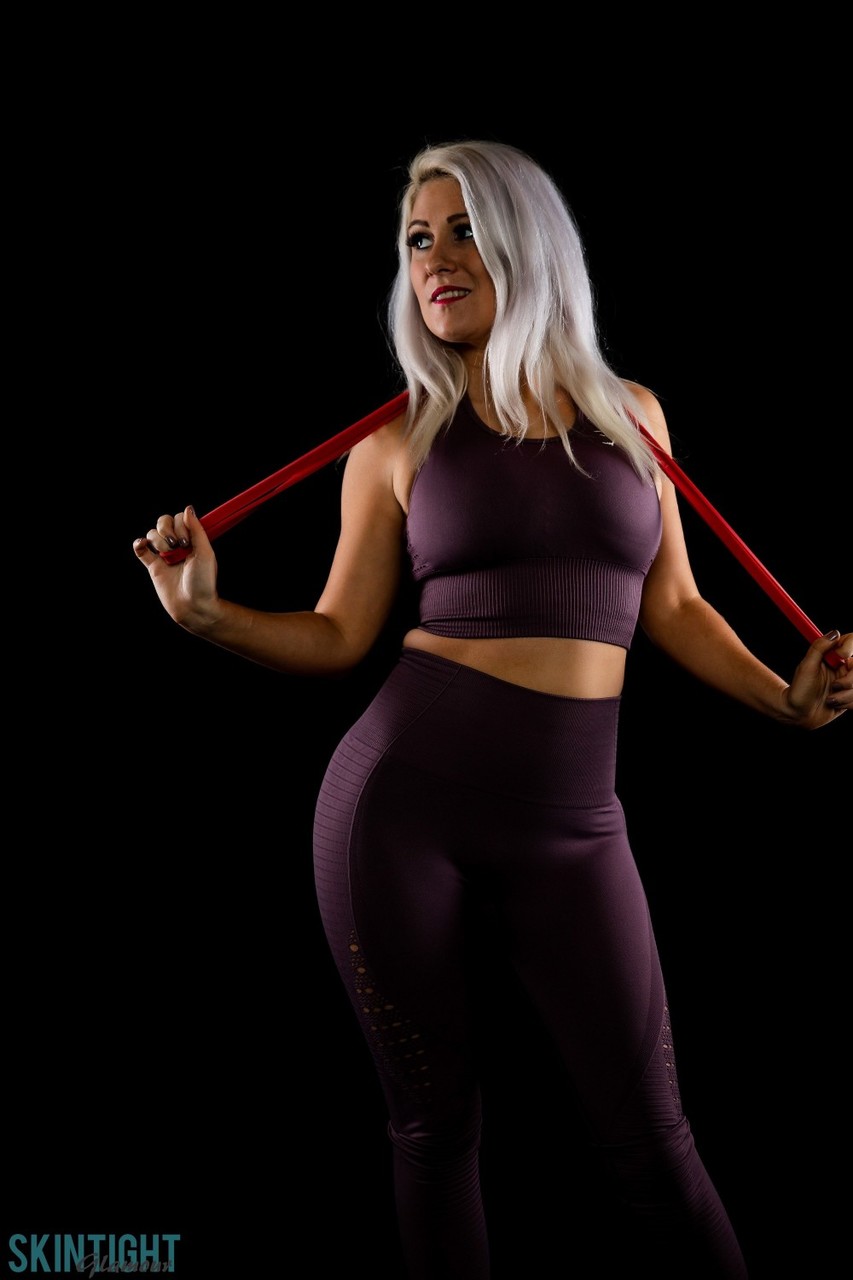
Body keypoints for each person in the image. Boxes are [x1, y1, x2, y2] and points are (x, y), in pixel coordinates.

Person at [133, 139, 850, 1278]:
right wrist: (207, 617)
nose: (435, 258)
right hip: (399, 808)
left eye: (464, 230)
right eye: (417, 238)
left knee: (655, 1144)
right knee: (434, 1131)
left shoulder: (633, 417)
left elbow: (672, 604)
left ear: (528, 242)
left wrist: (784, 700)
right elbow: (338, 635)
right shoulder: (394, 440)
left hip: (576, 824)